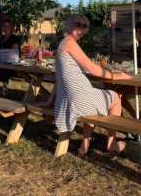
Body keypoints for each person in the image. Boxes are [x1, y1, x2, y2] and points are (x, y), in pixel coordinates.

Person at [35, 13, 132, 156]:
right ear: (69, 25)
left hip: (68, 99)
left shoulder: (62, 43)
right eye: (77, 24)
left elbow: (60, 78)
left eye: (84, 26)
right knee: (116, 97)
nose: (81, 28)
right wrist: (116, 76)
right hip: (77, 98)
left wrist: (51, 100)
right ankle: (111, 144)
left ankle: (84, 145)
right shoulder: (70, 43)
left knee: (95, 98)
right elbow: (92, 68)